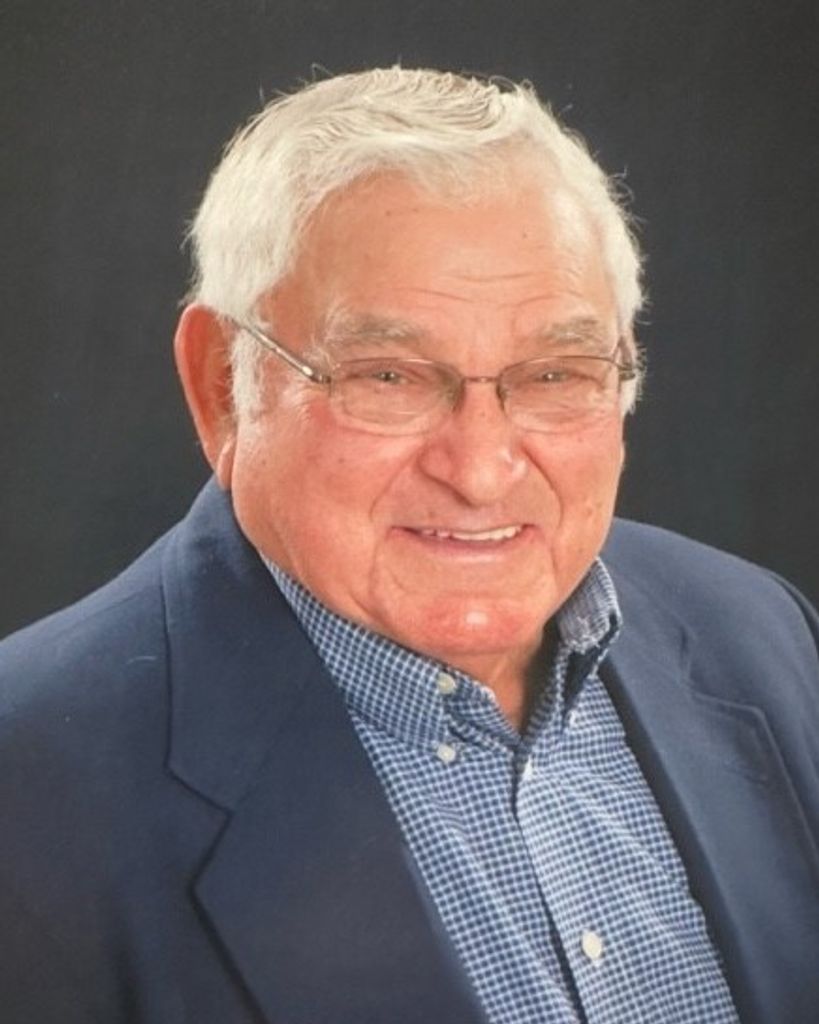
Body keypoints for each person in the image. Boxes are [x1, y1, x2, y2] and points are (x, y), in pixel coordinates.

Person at [0, 67, 817, 1024]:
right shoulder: (28, 790)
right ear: (223, 383)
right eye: (387, 376)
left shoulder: (762, 636)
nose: (481, 470)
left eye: (555, 374)